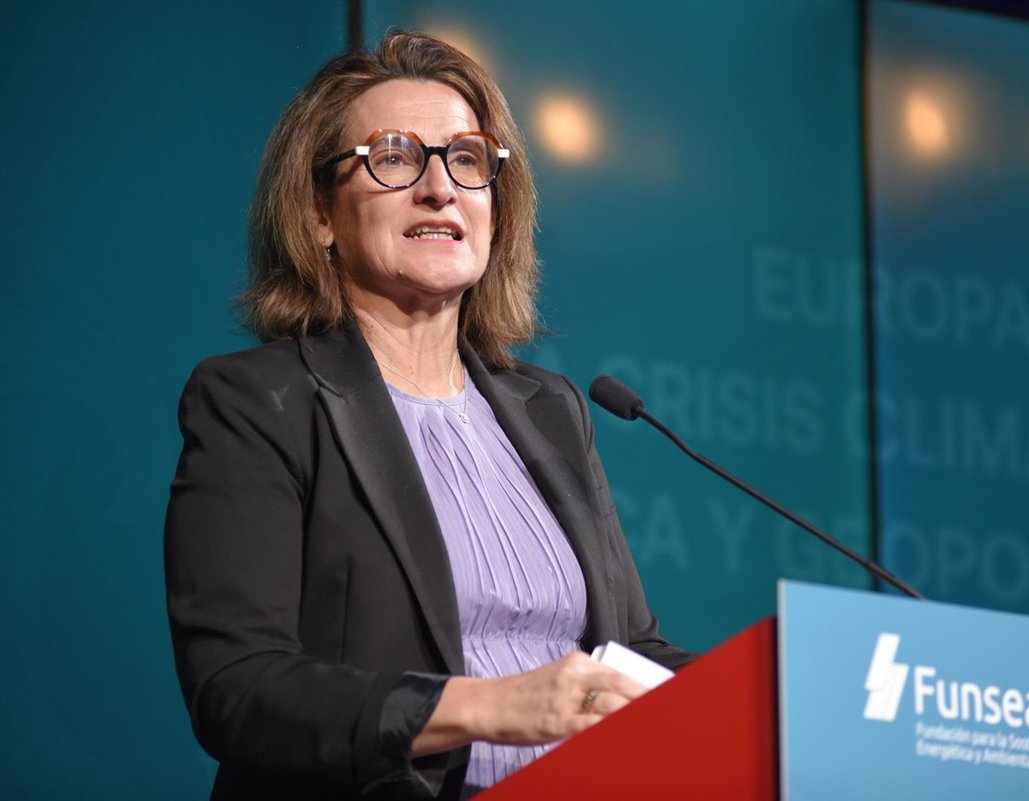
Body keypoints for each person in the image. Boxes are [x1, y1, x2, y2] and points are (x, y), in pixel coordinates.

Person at [164, 29, 693, 801]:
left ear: (495, 208)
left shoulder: (551, 410)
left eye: (468, 160)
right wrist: (491, 706)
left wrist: (783, 694)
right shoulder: (258, 402)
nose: (440, 188)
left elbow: (632, 650)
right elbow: (238, 686)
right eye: (394, 157)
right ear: (319, 213)